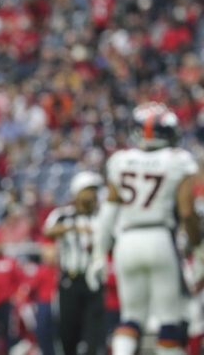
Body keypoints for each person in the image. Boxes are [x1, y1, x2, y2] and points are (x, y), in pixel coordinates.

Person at [88, 102, 202, 355]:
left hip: (127, 241)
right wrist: (198, 245)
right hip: (160, 237)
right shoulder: (178, 160)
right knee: (169, 319)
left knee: (131, 317)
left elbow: (109, 211)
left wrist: (98, 252)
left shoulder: (121, 159)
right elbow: (186, 212)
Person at [43, 170, 105, 355]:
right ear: (77, 191)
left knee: (93, 338)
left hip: (94, 283)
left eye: (94, 190)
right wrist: (75, 227)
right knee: (68, 335)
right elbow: (48, 231)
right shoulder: (63, 215)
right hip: (69, 281)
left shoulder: (100, 218)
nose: (92, 194)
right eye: (89, 189)